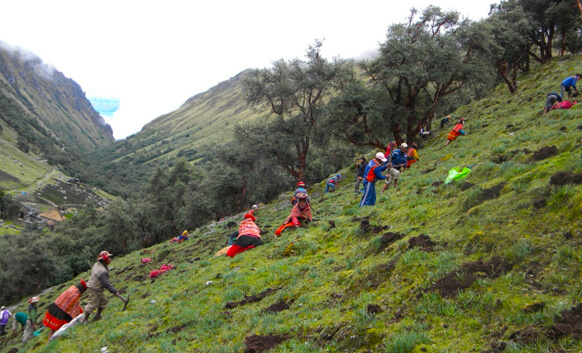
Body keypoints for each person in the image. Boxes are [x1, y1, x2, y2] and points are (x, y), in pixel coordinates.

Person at [83, 251, 128, 323]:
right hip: (94, 289)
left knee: (104, 301)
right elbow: (106, 284)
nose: (110, 259)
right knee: (92, 305)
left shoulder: (98, 264)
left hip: (97, 287)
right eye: (109, 258)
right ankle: (85, 320)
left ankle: (98, 316)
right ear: (104, 260)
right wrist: (114, 291)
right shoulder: (102, 271)